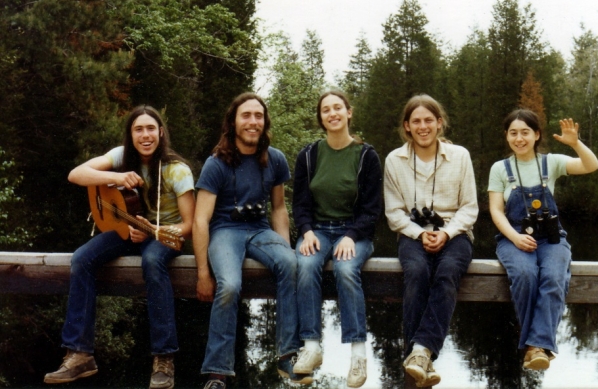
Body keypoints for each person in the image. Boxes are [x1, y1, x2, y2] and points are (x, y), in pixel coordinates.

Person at [44, 105, 196, 389]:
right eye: (138, 129)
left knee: (152, 262)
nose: (145, 135)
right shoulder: (120, 157)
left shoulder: (178, 170)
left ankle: (164, 358)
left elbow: (189, 224)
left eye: (151, 128)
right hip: (125, 229)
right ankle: (79, 354)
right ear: (130, 135)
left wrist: (156, 232)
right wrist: (115, 178)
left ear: (161, 133)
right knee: (82, 259)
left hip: (164, 236)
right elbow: (76, 174)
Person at [192, 92, 308, 389]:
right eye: (246, 116)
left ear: (265, 122)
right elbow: (200, 220)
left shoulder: (275, 159)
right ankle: (217, 372)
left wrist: (284, 247)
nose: (253, 122)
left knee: (290, 263)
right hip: (224, 231)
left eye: (258, 116)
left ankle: (287, 355)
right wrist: (203, 273)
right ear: (233, 122)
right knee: (229, 285)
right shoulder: (216, 163)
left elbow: (279, 208)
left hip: (259, 230)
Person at [488, 109, 598, 370]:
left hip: (550, 238)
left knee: (554, 276)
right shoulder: (499, 169)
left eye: (525, 132)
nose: (519, 138)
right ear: (506, 136)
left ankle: (535, 346)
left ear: (536, 134)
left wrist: (575, 143)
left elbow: (591, 165)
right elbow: (495, 210)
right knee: (525, 275)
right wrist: (514, 237)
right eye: (513, 133)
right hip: (513, 237)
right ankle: (537, 346)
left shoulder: (552, 162)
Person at [383, 94, 478, 388]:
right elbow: (393, 212)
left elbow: (470, 207)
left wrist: (446, 233)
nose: (423, 127)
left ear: (439, 123)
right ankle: (422, 358)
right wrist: (421, 233)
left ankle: (419, 352)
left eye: (428, 120)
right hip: (412, 233)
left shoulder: (460, 156)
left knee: (448, 271)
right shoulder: (394, 160)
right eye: (416, 121)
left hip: (455, 232)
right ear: (407, 127)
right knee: (418, 271)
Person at [292, 90, 382, 388]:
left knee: (345, 269)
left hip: (354, 232)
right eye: (326, 110)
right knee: (305, 265)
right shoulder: (309, 155)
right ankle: (311, 346)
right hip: (317, 230)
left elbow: (372, 209)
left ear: (349, 112)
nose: (332, 114)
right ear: (321, 117)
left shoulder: (366, 156)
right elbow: (301, 203)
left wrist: (352, 236)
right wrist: (305, 231)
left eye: (337, 108)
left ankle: (357, 354)